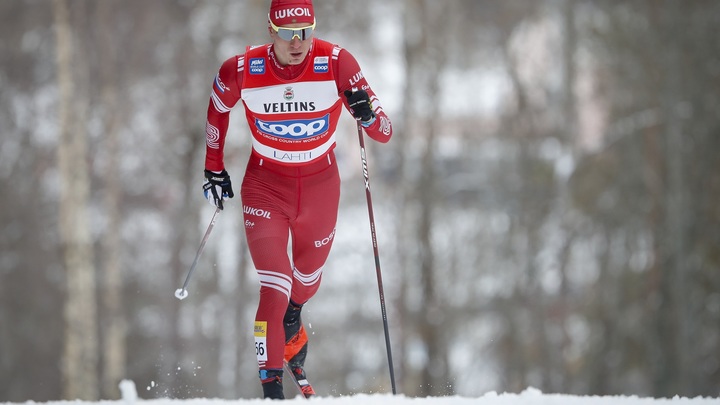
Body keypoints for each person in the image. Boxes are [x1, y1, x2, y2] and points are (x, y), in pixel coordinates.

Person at [201, 0, 393, 399]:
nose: (298, 42)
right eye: (288, 33)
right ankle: (271, 388)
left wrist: (368, 116)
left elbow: (385, 131)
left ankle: (294, 315)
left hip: (320, 186)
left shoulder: (337, 62)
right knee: (274, 283)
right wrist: (213, 167)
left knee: (305, 281)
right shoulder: (241, 69)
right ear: (271, 31)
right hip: (265, 186)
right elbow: (218, 108)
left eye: (306, 31)